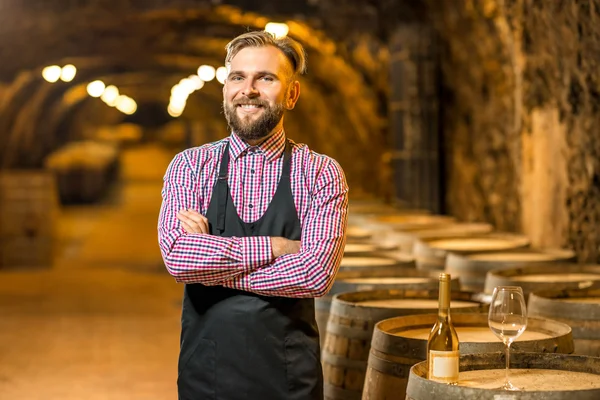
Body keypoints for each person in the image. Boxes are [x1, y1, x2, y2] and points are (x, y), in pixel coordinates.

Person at [157, 30, 349, 400]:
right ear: (226, 89)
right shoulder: (191, 165)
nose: (249, 89)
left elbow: (315, 275)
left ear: (291, 95)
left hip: (290, 377)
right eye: (237, 77)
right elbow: (180, 260)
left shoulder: (320, 172)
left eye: (266, 78)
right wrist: (276, 247)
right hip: (206, 374)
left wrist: (213, 264)